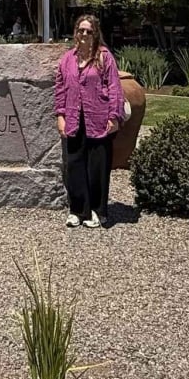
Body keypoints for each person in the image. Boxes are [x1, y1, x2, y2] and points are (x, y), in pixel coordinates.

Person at [54, 14, 123, 228]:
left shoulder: (104, 57)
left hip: (99, 118)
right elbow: (60, 89)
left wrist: (114, 116)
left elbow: (114, 87)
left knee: (97, 166)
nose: (84, 34)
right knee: (75, 164)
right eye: (81, 30)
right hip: (74, 118)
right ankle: (77, 210)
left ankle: (97, 211)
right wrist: (60, 116)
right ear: (75, 32)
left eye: (89, 31)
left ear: (95, 34)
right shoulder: (67, 59)